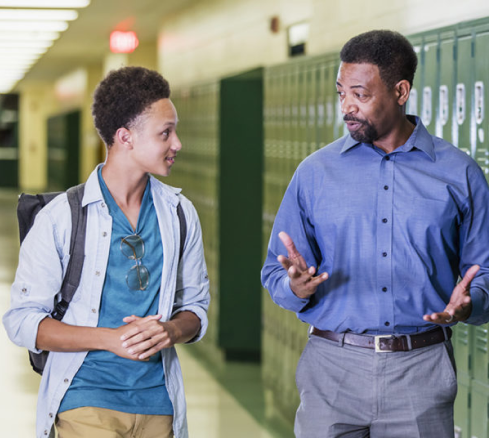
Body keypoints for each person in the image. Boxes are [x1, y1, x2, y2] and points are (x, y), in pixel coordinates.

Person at [261, 30, 489, 438]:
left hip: (421, 370)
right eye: (340, 93)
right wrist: (295, 287)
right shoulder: (315, 173)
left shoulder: (459, 173)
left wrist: (470, 304)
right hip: (331, 367)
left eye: (360, 95)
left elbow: (484, 270)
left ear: (401, 91)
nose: (347, 107)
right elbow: (274, 275)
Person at [3, 66, 210, 438]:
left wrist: (169, 331)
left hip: (158, 403)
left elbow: (195, 308)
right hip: (86, 399)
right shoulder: (61, 218)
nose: (177, 143)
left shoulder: (180, 214)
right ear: (125, 137)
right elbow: (21, 321)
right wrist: (108, 338)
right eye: (166, 133)